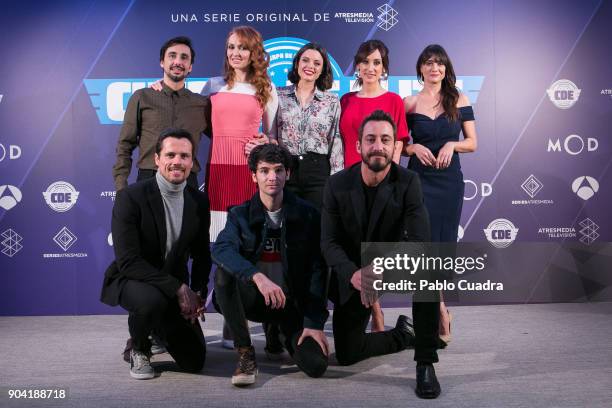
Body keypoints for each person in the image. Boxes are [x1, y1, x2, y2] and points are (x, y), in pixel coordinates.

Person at [321, 110, 442, 399]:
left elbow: (419, 241)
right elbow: (328, 243)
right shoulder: (336, 184)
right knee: (348, 354)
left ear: (395, 147)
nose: (378, 146)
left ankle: (425, 362)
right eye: (371, 139)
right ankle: (404, 335)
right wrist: (354, 274)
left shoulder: (409, 181)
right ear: (358, 146)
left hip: (392, 263)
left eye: (386, 139)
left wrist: (383, 268)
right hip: (355, 272)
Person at [212, 144, 329, 386]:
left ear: (289, 173)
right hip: (256, 298)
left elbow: (319, 270)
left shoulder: (308, 215)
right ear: (253, 175)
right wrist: (257, 276)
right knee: (224, 276)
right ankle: (245, 352)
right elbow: (221, 249)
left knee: (316, 365)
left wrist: (314, 323)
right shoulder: (240, 214)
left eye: (278, 170)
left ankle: (276, 331)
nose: (272, 177)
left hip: (290, 304)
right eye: (264, 171)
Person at [101, 128, 211, 380]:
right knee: (151, 301)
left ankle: (158, 329)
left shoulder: (199, 200)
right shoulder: (131, 197)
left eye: (184, 156)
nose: (177, 162)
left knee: (194, 361)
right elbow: (128, 261)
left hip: (174, 283)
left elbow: (203, 254)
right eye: (170, 154)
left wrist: (198, 291)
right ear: (157, 159)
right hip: (134, 279)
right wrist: (178, 288)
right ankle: (139, 348)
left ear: (192, 162)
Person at [404, 44, 478, 347]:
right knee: (423, 245)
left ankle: (438, 306)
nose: (434, 68)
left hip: (448, 183)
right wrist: (412, 147)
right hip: (418, 181)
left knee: (442, 244)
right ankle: (439, 308)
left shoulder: (458, 98)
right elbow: (397, 144)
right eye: (429, 63)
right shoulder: (408, 102)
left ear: (446, 69)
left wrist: (452, 145)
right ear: (420, 68)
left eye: (440, 64)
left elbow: (472, 142)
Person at [339, 39, 409, 331]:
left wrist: (388, 179)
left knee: (378, 249)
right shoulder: (346, 100)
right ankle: (375, 313)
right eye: (365, 62)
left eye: (376, 62)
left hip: (382, 180)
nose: (370, 68)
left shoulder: (394, 100)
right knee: (358, 248)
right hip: (350, 183)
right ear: (357, 65)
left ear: (384, 68)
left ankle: (381, 313)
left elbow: (399, 141)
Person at [202, 26, 279, 241]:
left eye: (243, 48)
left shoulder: (266, 88)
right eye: (231, 47)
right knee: (217, 237)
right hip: (218, 167)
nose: (235, 53)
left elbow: (273, 137)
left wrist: (264, 143)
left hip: (248, 169)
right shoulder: (213, 85)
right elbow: (199, 123)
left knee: (247, 238)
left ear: (254, 53)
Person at [112, 36, 210, 191]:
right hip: (148, 178)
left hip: (188, 182)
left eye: (184, 57)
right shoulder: (142, 97)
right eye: (172, 56)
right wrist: (120, 187)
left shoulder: (202, 104)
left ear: (190, 66)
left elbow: (223, 136)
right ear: (162, 62)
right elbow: (125, 145)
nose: (178, 61)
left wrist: (256, 138)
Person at [275, 42, 343, 209]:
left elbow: (335, 141)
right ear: (297, 63)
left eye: (317, 63)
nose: (310, 66)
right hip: (285, 168)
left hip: (318, 171)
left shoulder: (331, 101)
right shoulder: (277, 95)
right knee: (286, 225)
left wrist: (336, 180)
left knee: (316, 226)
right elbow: (272, 134)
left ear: (322, 70)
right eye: (305, 60)